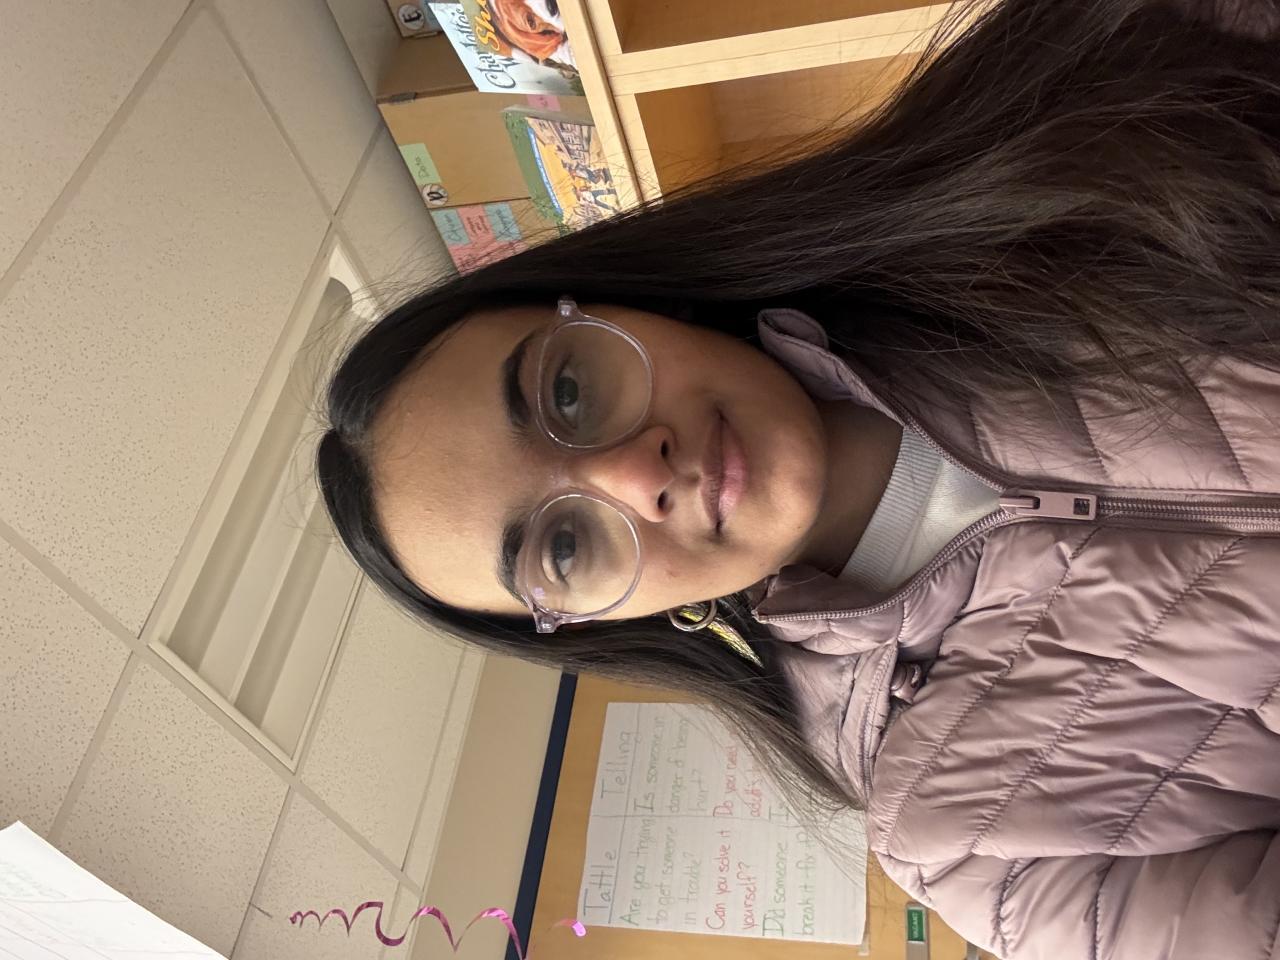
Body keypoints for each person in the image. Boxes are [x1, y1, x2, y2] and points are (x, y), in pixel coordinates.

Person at [316, 1, 1280, 956]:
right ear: (604, 619)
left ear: (615, 305)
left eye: (567, 390)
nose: (633, 473)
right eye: (563, 547)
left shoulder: (1020, 134)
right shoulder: (969, 840)